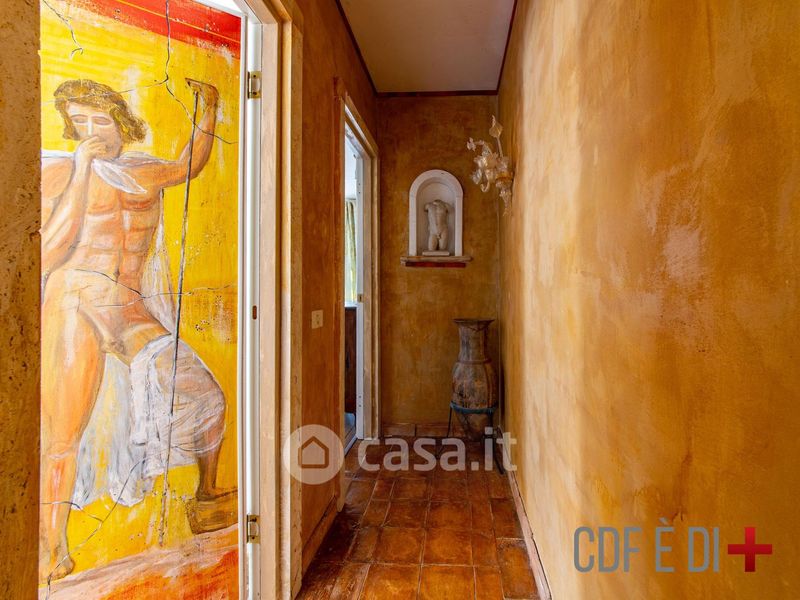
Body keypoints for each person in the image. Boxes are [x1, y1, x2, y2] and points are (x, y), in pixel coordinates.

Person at [40, 78, 235, 582]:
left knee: (207, 396)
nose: (91, 131)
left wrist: (208, 108)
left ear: (120, 123)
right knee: (64, 434)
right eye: (79, 122)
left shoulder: (144, 173)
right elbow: (47, 251)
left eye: (99, 120)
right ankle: (52, 549)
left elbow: (189, 166)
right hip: (76, 301)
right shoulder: (58, 171)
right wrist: (80, 174)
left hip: (127, 308)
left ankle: (207, 496)